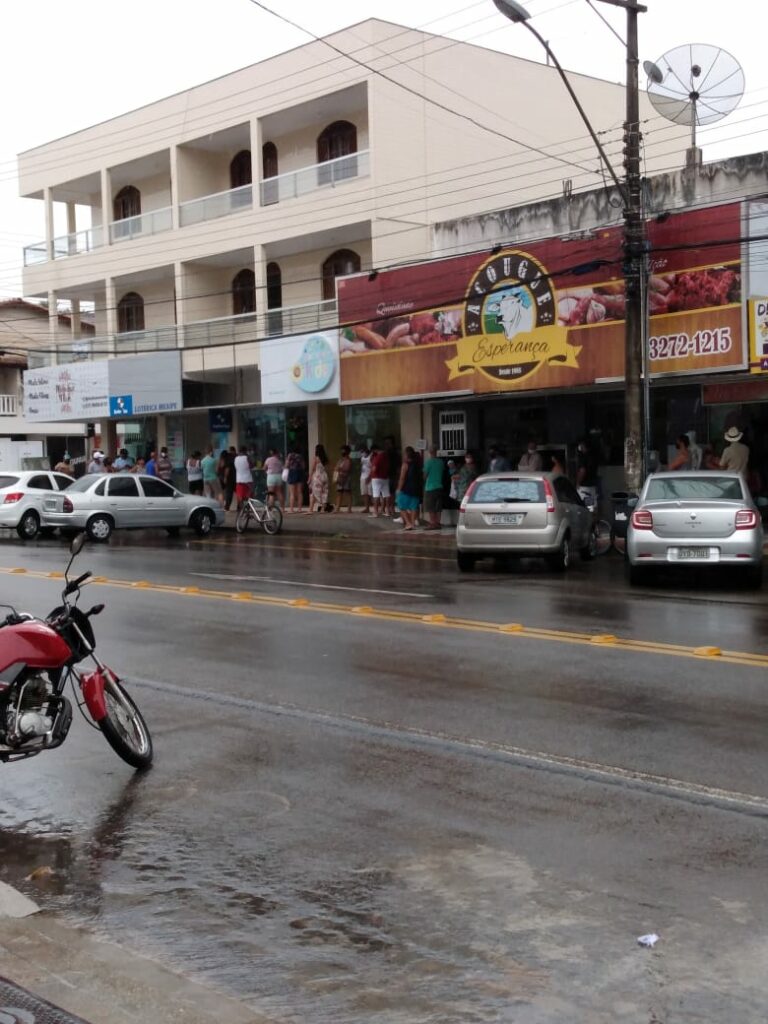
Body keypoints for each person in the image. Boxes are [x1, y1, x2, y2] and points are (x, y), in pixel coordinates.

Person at [395, 446, 422, 530]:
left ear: (406, 455)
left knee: (401, 505)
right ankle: (413, 523)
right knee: (414, 506)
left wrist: (398, 489)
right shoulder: (417, 464)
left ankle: (408, 523)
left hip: (406, 488)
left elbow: (402, 478)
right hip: (416, 488)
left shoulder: (405, 464)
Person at [422, 445, 445, 530]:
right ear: (436, 451)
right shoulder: (441, 462)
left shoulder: (428, 462)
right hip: (439, 486)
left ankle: (432, 523)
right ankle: (438, 523)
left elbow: (425, 476)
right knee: (438, 507)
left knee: (431, 507)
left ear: (429, 452)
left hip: (430, 487)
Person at [369, 442, 390, 517]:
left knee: (376, 495)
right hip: (385, 477)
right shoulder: (386, 456)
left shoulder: (377, 457)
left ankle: (375, 512)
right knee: (386, 494)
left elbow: (374, 468)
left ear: (374, 450)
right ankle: (387, 511)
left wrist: (370, 475)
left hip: (376, 478)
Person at [308, 444, 329, 513]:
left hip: (317, 476)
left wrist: (309, 478)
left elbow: (312, 469)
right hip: (324, 476)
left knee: (313, 493)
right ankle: (323, 509)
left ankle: (310, 510)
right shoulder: (325, 459)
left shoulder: (316, 458)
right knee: (324, 492)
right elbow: (327, 468)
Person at [333, 445, 353, 512]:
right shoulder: (340, 460)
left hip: (346, 478)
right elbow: (336, 468)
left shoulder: (348, 460)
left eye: (343, 450)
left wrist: (339, 468)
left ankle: (349, 509)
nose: (342, 452)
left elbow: (347, 468)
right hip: (340, 478)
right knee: (339, 493)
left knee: (347, 493)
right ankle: (337, 508)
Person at [384, 436, 401, 517]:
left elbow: (398, 465)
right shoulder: (385, 454)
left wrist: (398, 475)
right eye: (386, 444)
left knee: (392, 493)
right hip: (387, 475)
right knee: (388, 493)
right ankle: (388, 508)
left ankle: (391, 508)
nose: (387, 445)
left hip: (393, 475)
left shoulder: (396, 454)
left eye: (388, 443)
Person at [285, 448, 305, 513]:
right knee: (299, 492)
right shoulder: (300, 456)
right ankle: (299, 509)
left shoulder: (290, 455)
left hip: (292, 473)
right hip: (300, 473)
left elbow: (286, 465)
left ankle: (291, 509)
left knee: (292, 493)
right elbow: (303, 466)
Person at [233, 445, 253, 510]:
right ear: (245, 451)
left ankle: (241, 509)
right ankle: (248, 508)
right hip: (248, 479)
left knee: (240, 495)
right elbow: (251, 466)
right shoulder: (247, 457)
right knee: (249, 495)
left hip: (239, 480)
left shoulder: (236, 458)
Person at [358, 444, 373, 514]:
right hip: (363, 477)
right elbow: (362, 466)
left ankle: (376, 507)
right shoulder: (362, 458)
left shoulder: (371, 457)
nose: (361, 453)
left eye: (362, 451)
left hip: (370, 477)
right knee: (364, 493)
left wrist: (369, 477)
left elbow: (373, 468)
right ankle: (367, 508)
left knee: (371, 493)